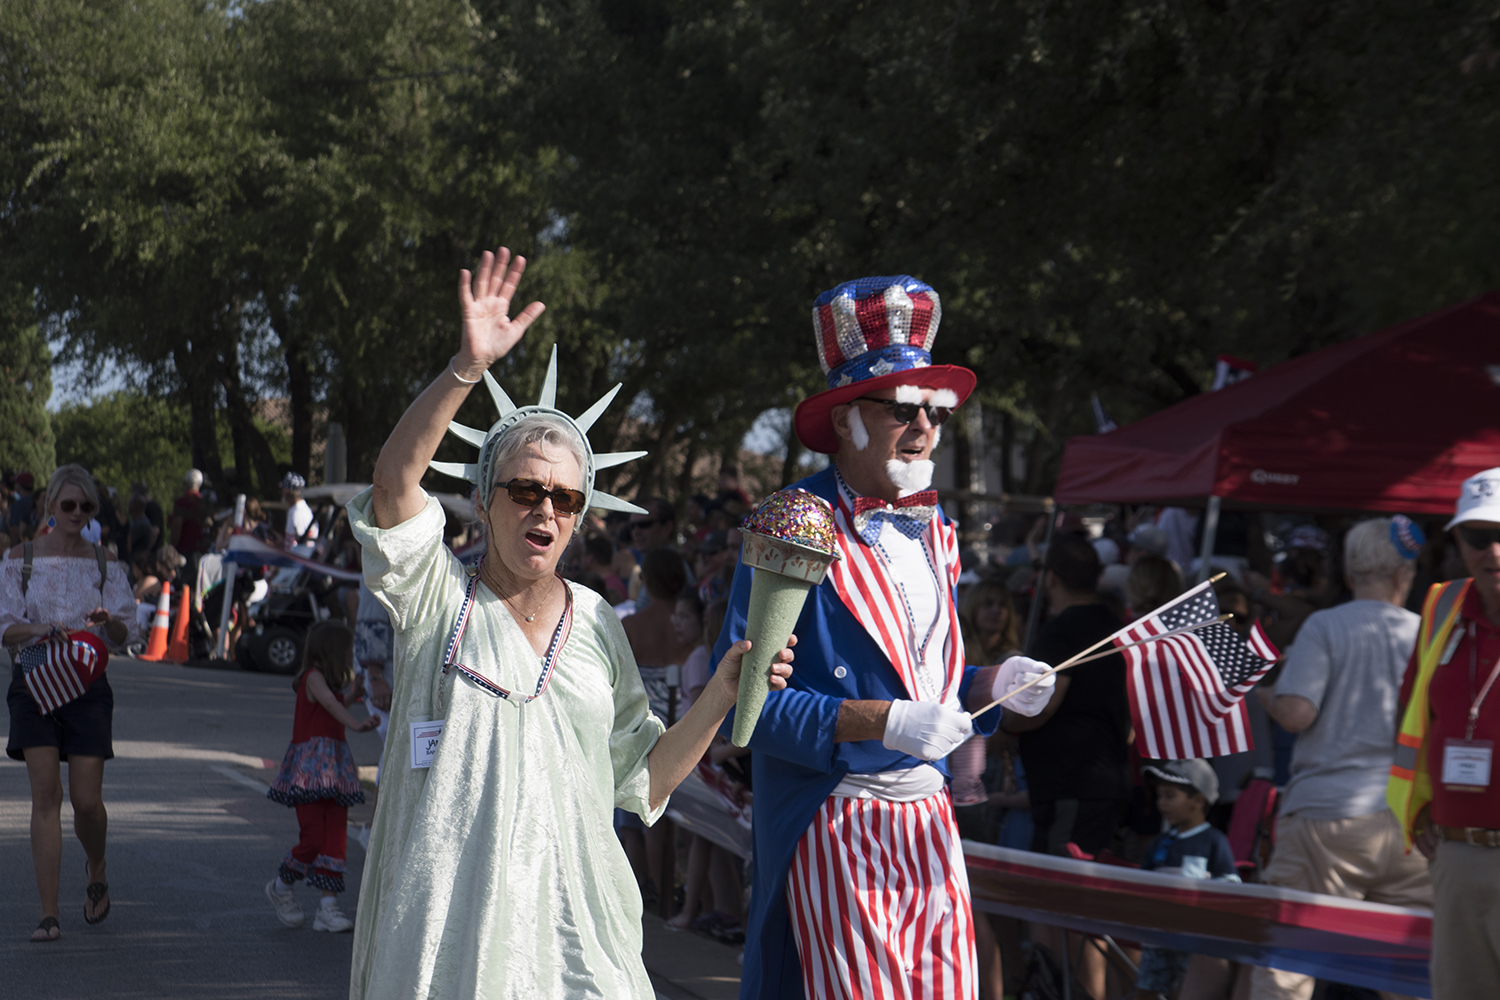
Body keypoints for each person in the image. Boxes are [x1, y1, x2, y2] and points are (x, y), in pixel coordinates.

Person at [345, 247, 794, 999]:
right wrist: (466, 365)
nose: (545, 509)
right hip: (447, 945)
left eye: (566, 498)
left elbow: (641, 777)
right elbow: (394, 483)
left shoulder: (595, 622)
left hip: (576, 945)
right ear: (486, 496)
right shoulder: (434, 595)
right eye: (525, 489)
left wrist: (720, 693)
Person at [713, 274, 1056, 1000]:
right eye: (902, 408)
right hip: (838, 815)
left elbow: (928, 688)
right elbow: (747, 707)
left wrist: (995, 684)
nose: (924, 427)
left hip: (928, 820)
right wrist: (887, 722)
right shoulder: (792, 522)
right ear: (844, 419)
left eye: (934, 410)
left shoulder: (938, 533)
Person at [1245, 517, 1430, 1000]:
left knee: (1288, 963)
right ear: (1401, 576)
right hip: (1408, 823)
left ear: (1348, 576)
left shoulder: (1324, 625)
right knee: (1412, 970)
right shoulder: (1427, 634)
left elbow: (1298, 714)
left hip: (1326, 818)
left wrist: (1268, 696)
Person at [2, 464, 139, 942]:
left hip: (87, 679)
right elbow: (4, 628)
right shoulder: (20, 558)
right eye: (69, 505)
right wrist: (38, 628)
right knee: (47, 797)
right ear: (50, 507)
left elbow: (126, 633)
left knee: (86, 801)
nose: (77, 513)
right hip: (34, 676)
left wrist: (109, 621)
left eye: (86, 506)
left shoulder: (105, 563)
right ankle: (48, 914)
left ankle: (96, 865)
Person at [1390, 469, 1500, 1000]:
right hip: (1456, 856)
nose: (1495, 552)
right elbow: (1414, 712)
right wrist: (1416, 802)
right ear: (1459, 540)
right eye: (1480, 537)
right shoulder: (1442, 607)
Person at [1004, 534, 1130, 1000]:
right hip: (1103, 781)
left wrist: (998, 720)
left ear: (1050, 578)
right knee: (1086, 908)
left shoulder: (1065, 629)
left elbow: (1042, 704)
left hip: (1073, 786)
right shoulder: (1110, 622)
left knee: (1059, 907)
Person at [263, 621, 378, 931]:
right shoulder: (312, 678)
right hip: (311, 772)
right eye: (347, 651)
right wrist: (355, 724)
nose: (350, 657)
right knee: (313, 835)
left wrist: (352, 696)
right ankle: (281, 886)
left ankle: (328, 907)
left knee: (336, 835)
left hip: (335, 769)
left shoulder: (324, 683)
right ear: (333, 651)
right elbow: (328, 703)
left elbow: (334, 704)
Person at [1132, 760, 1239, 1000]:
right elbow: (1142, 880)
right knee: (1146, 990)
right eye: (1159, 796)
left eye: (1170, 796)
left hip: (1194, 941)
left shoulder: (1214, 841)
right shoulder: (1158, 842)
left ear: (1198, 801)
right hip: (1156, 937)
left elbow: (1231, 885)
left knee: (1186, 991)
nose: (1161, 803)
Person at [169, 469, 209, 558]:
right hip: (201, 549)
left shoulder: (181, 502)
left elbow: (177, 525)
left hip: (183, 549)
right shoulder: (204, 504)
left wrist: (172, 546)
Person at [280, 473, 319, 554]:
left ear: (287, 490)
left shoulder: (298, 513)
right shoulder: (299, 510)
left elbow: (302, 545)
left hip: (298, 563)